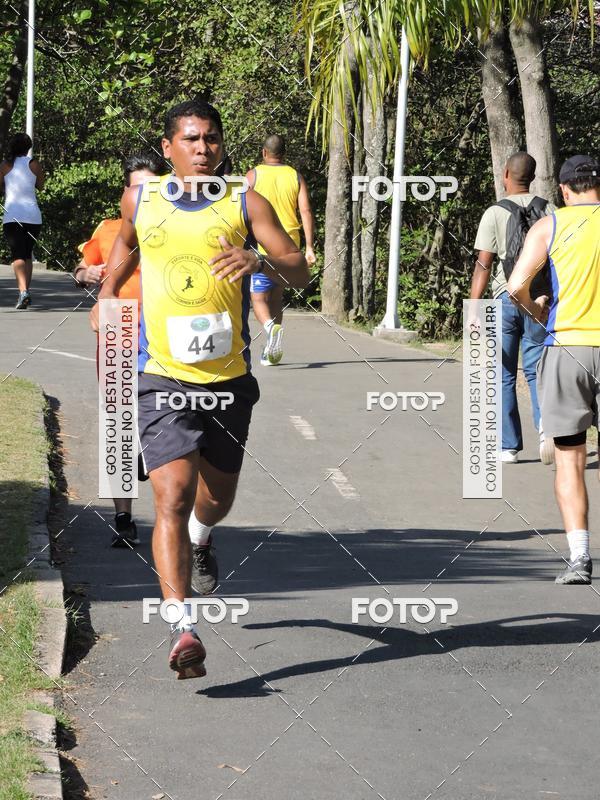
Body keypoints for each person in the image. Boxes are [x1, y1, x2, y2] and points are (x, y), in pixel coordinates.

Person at [92, 100, 309, 678]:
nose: (203, 148)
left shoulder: (246, 201)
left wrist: (258, 258)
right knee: (171, 495)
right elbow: (126, 246)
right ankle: (181, 624)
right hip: (160, 375)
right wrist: (106, 293)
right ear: (169, 148)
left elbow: (299, 268)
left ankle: (203, 536)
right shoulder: (142, 199)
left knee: (216, 498)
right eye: (191, 139)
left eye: (211, 138)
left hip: (228, 380)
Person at [508, 155, 600, 584]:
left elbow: (515, 286)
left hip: (566, 349)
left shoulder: (550, 226)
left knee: (570, 458)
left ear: (563, 190)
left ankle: (579, 558)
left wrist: (537, 310)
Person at [75, 151, 164, 548]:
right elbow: (81, 269)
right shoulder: (109, 228)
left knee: (165, 415)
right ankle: (123, 519)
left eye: (150, 187)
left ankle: (177, 521)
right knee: (117, 419)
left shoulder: (181, 225)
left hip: (164, 327)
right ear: (125, 192)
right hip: (119, 322)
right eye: (135, 188)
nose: (141, 195)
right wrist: (87, 274)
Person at [470, 151, 555, 465]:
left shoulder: (494, 212)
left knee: (502, 372)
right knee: (536, 370)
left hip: (504, 298)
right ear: (532, 177)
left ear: (506, 174)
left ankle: (509, 447)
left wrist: (474, 308)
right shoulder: (549, 209)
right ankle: (545, 428)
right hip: (539, 300)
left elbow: (483, 264)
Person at [246, 134, 315, 366]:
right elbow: (305, 211)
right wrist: (309, 247)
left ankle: (269, 327)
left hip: (264, 244)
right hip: (289, 245)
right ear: (284, 153)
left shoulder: (253, 175)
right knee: (276, 295)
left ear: (264, 152)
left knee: (258, 298)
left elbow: (239, 206)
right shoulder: (295, 176)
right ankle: (270, 348)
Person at [0, 133, 44, 309]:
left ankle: (23, 292)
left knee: (17, 254)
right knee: (27, 254)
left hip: (12, 215)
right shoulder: (34, 164)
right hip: (33, 216)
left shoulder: (5, 165)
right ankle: (24, 292)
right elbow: (41, 186)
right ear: (28, 148)